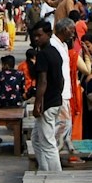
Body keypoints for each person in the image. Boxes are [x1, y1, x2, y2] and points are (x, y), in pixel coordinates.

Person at [29, 20, 70, 172]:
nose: (36, 39)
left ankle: (56, 177)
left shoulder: (44, 55)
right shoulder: (55, 52)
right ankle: (44, 170)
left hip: (48, 103)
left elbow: (42, 81)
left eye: (39, 35)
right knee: (36, 139)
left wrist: (38, 104)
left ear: (48, 34)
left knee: (48, 143)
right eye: (34, 36)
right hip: (55, 100)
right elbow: (61, 79)